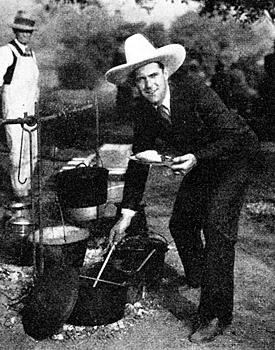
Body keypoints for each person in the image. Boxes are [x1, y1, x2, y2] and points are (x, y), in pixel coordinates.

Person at [105, 34, 259, 344]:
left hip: (233, 161)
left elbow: (241, 137)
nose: (149, 85)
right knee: (182, 223)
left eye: (153, 76)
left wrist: (197, 157)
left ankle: (215, 315)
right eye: (141, 80)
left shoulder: (198, 95)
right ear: (134, 85)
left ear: (164, 73)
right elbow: (139, 161)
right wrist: (125, 215)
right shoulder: (145, 112)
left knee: (217, 229)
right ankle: (201, 276)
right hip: (199, 164)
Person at [0, 10, 39, 203]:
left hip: (31, 109)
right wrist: (3, 106)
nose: (26, 35)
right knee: (18, 152)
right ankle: (19, 192)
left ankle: (25, 188)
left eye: (29, 32)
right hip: (14, 109)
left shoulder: (31, 53)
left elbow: (34, 84)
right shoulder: (6, 52)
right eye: (22, 31)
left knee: (32, 151)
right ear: (15, 32)